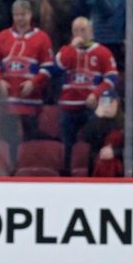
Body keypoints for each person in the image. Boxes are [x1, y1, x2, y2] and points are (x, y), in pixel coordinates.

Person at [0, 0, 53, 162]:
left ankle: (27, 171)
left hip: (31, 100)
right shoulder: (3, 36)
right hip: (8, 100)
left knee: (30, 141)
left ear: (30, 14)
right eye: (16, 15)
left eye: (23, 14)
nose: (19, 18)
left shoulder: (42, 38)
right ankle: (10, 170)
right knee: (8, 139)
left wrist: (34, 82)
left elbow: (48, 67)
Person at [51, 16, 119, 172]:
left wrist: (96, 93)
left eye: (83, 30)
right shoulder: (66, 51)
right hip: (68, 107)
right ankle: (66, 174)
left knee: (93, 143)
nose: (79, 34)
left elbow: (111, 77)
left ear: (91, 31)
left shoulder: (102, 52)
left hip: (91, 106)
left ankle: (91, 173)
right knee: (67, 145)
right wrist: (71, 47)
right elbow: (56, 69)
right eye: (76, 31)